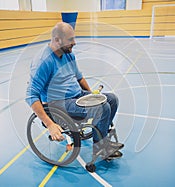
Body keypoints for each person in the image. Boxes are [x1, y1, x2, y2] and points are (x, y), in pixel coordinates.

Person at [26, 22, 123, 159]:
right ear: (57, 40)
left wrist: (91, 95)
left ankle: (103, 139)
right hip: (58, 103)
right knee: (102, 107)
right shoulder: (43, 61)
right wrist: (50, 124)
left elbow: (79, 77)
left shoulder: (68, 55)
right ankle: (100, 148)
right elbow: (31, 95)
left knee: (111, 99)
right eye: (70, 40)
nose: (75, 43)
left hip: (77, 96)